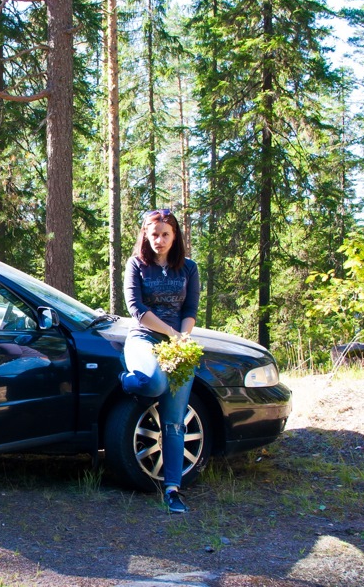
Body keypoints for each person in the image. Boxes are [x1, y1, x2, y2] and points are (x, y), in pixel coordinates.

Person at [121, 208, 200, 514]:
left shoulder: (189, 268)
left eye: (166, 234)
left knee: (174, 421)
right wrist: (169, 332)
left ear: (175, 236)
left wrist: (182, 337)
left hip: (178, 343)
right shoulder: (137, 265)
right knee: (153, 382)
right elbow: (136, 308)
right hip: (144, 338)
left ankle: (172, 489)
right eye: (154, 234)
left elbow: (190, 308)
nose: (160, 240)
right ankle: (127, 379)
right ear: (145, 234)